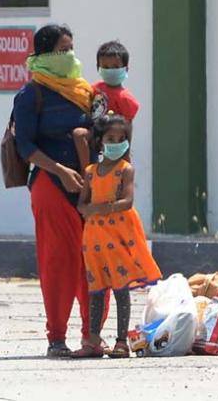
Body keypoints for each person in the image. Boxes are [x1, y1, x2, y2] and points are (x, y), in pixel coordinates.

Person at [13, 24, 110, 358]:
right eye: (62, 50)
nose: (70, 55)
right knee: (59, 262)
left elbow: (109, 136)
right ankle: (56, 338)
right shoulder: (31, 95)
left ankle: (92, 336)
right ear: (43, 55)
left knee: (96, 260)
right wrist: (60, 171)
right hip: (51, 184)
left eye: (72, 47)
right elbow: (24, 145)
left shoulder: (87, 92)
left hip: (91, 187)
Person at [71, 113, 162, 359]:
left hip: (118, 235)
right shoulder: (90, 172)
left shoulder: (125, 170)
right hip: (95, 239)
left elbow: (127, 201)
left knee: (121, 289)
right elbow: (82, 203)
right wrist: (89, 210)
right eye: (111, 138)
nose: (116, 142)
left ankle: (121, 342)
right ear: (100, 141)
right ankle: (92, 341)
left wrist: (102, 209)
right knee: (96, 291)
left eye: (121, 139)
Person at [73, 40, 139, 173]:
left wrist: (126, 156)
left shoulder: (126, 98)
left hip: (112, 136)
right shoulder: (94, 89)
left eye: (115, 67)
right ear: (99, 68)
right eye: (106, 67)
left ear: (126, 68)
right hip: (94, 131)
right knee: (79, 134)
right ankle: (86, 173)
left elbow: (127, 127)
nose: (110, 70)